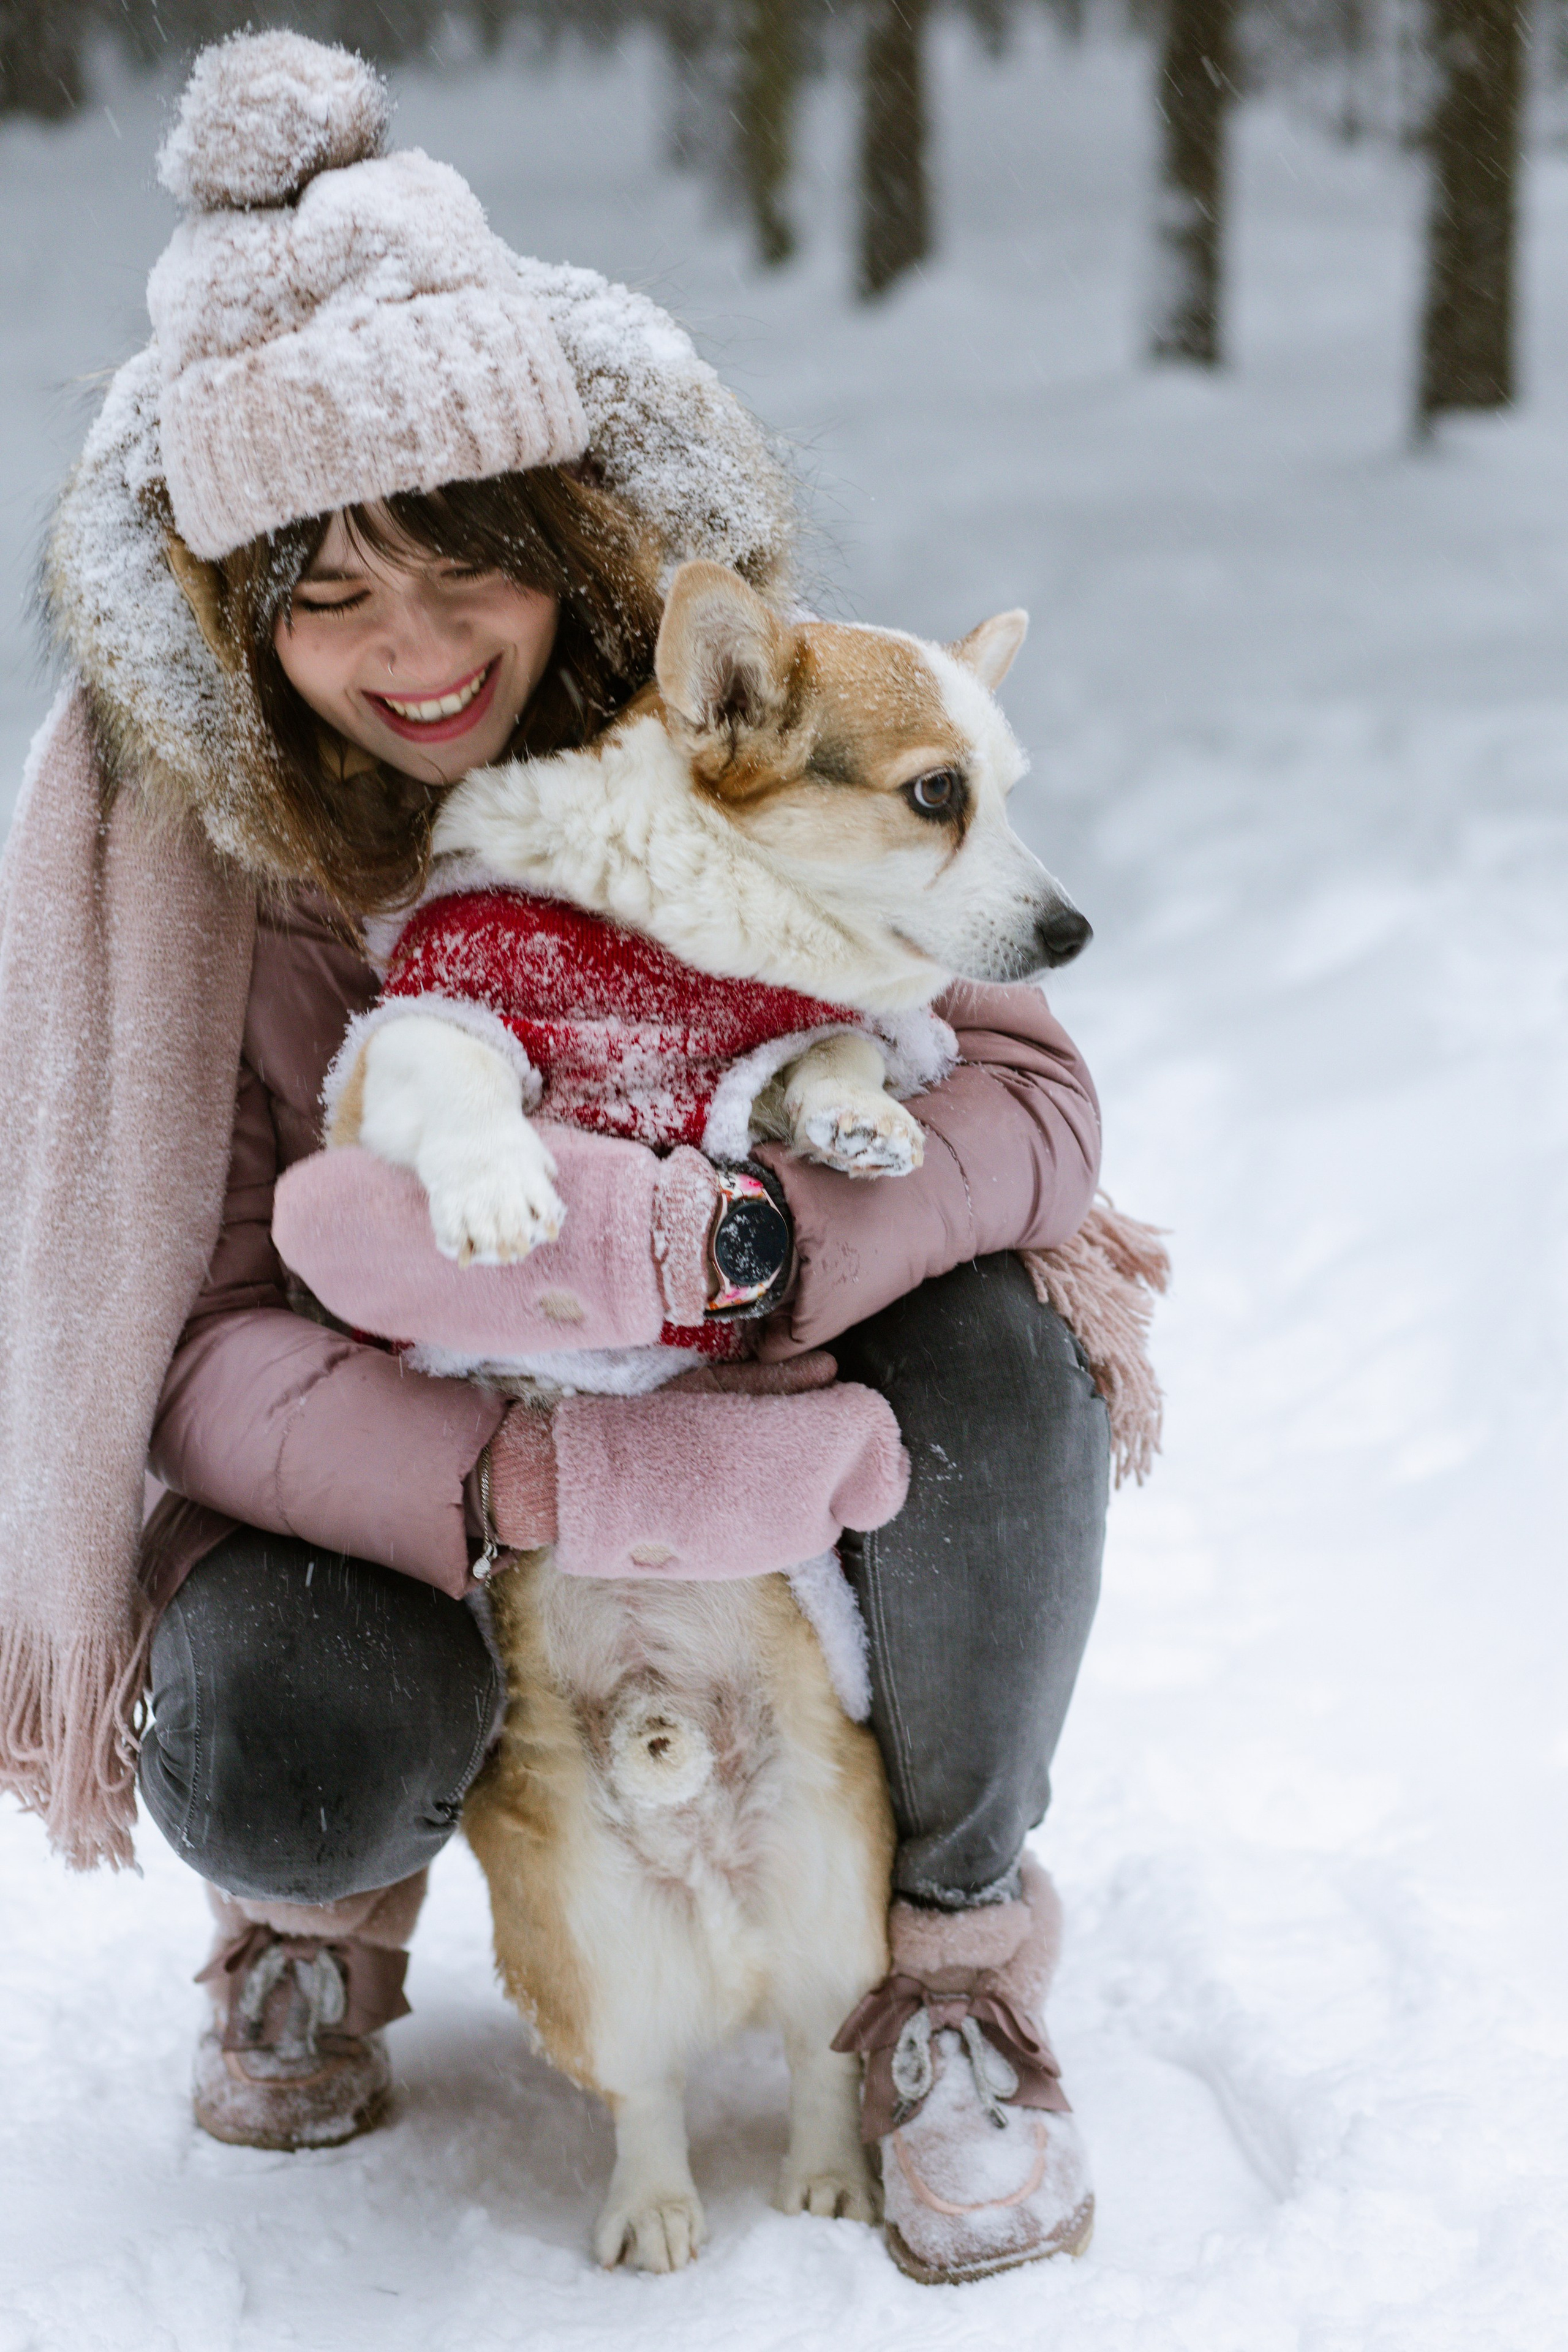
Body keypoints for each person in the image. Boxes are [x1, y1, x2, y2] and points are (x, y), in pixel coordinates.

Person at [0, 32, 1134, 2285]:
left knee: (1007, 1362)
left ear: (564, 543)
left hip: (757, 1406)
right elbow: (204, 1330)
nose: (411, 655)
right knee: (271, 1724)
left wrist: (746, 1256)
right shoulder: (188, 864)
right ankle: (315, 1915)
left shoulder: (732, 719)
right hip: (417, 1466)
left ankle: (947, 1978)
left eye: (463, 570)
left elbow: (1031, 1113)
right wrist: (528, 1485)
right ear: (237, 627)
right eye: (324, 595)